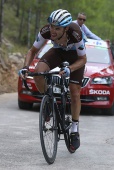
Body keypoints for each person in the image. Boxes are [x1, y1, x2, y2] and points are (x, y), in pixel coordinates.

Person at [19, 9, 87, 151]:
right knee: (38, 73)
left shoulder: (76, 33)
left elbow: (83, 59)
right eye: (51, 26)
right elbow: (32, 51)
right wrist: (25, 67)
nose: (52, 31)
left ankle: (74, 129)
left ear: (66, 28)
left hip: (76, 57)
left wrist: (70, 70)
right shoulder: (45, 31)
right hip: (58, 52)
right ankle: (49, 103)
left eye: (57, 28)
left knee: (74, 91)